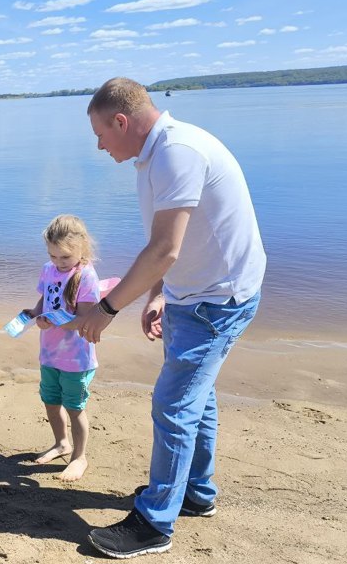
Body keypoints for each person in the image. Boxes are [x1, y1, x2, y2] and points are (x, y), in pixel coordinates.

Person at [78, 78, 266, 558]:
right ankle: (197, 495)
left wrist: (106, 308)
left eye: (100, 133)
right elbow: (173, 243)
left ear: (122, 121)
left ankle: (154, 523)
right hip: (195, 293)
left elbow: (165, 248)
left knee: (173, 405)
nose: (99, 145)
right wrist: (160, 293)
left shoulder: (177, 152)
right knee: (194, 399)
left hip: (216, 299)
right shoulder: (156, 154)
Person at [22, 215, 102, 482]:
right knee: (51, 402)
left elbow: (84, 319)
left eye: (64, 257)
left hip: (75, 359)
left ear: (83, 248)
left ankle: (79, 457)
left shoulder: (86, 276)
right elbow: (46, 295)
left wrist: (53, 321)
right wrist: (35, 312)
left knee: (74, 407)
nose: (58, 262)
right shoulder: (49, 269)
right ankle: (61, 443)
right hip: (50, 354)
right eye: (53, 255)